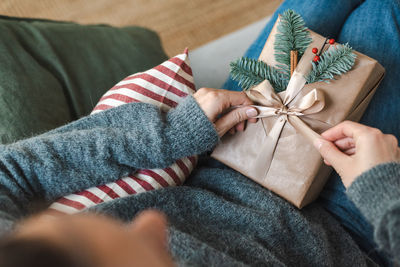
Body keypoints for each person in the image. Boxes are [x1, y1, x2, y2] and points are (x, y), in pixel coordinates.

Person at [0, 0, 399, 266]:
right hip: (349, 226)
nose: (155, 222)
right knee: (384, 15)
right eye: (151, 251)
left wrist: (175, 132)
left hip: (233, 146)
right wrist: (382, 191)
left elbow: (9, 174)